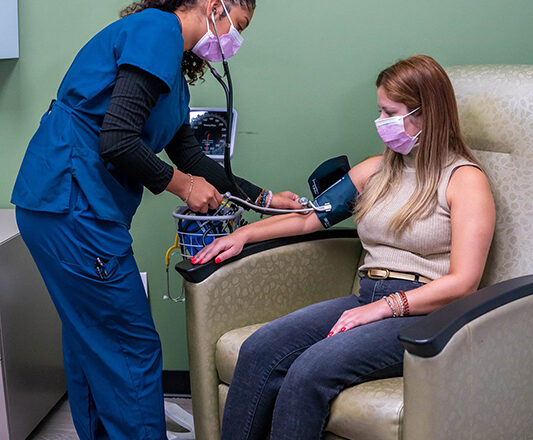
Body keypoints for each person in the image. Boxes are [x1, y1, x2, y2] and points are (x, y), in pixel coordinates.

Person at [10, 1, 301, 439]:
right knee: (132, 348)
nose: (235, 40)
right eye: (237, 26)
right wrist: (184, 187)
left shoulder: (171, 70)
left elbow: (190, 156)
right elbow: (117, 140)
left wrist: (263, 198)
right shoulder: (158, 31)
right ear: (212, 4)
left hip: (60, 202)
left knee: (92, 341)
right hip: (72, 202)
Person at [192, 54, 496, 440]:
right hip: (366, 295)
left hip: (425, 312)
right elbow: (309, 216)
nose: (381, 122)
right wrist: (243, 235)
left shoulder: (464, 180)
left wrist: (381, 309)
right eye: (380, 111)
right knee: (259, 350)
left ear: (427, 115)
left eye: (391, 112)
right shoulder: (376, 170)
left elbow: (464, 281)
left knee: (309, 370)